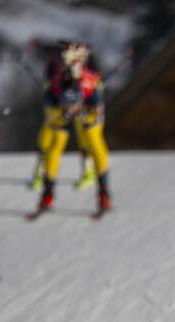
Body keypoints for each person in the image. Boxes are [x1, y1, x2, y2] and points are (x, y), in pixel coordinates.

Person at [35, 42, 111, 216]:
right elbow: (51, 117)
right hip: (59, 107)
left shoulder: (90, 87)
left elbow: (96, 114)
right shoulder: (53, 90)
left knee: (93, 139)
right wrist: (63, 115)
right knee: (56, 144)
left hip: (88, 106)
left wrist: (85, 117)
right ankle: (47, 193)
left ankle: (104, 193)